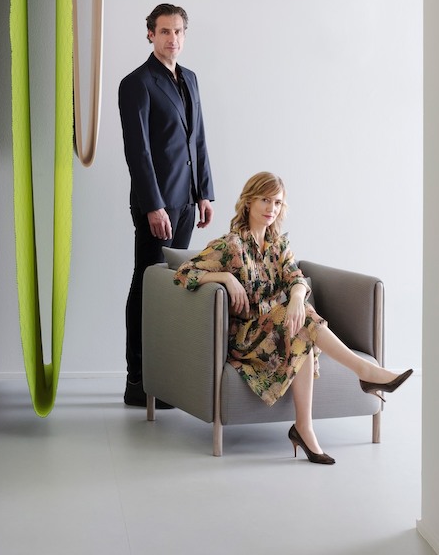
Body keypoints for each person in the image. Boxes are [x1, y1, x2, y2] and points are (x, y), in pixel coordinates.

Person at [173, 171, 413, 464]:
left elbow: (296, 278)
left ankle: (305, 427)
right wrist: (224, 277)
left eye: (276, 203)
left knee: (303, 327)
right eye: (264, 200)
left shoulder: (279, 246)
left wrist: (298, 297)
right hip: (246, 338)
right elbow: (184, 272)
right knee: (305, 323)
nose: (270, 209)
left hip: (276, 329)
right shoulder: (230, 246)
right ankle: (365, 373)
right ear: (248, 202)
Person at [118, 3, 214, 407]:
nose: (171, 39)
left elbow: (199, 140)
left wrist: (204, 192)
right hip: (156, 206)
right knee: (147, 285)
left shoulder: (189, 79)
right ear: (150, 35)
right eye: (164, 32)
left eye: (177, 32)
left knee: (175, 288)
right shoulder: (136, 83)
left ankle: (165, 378)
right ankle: (137, 381)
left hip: (187, 202)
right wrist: (154, 205)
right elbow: (137, 152)